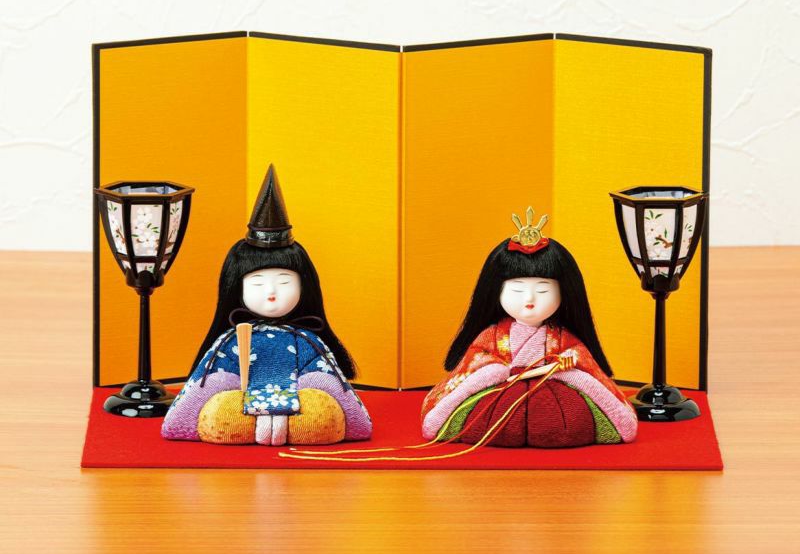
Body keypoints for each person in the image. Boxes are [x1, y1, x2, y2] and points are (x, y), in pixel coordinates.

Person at [162, 165, 372, 446]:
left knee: (320, 399)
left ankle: (281, 427)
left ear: (304, 287)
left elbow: (328, 385)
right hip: (240, 417)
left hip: (300, 417)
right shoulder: (232, 341)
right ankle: (262, 427)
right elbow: (207, 387)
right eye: (258, 284)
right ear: (236, 289)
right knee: (219, 390)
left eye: (284, 282)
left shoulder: (307, 341)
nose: (271, 292)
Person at [421, 207, 637, 448]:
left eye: (543, 289)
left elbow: (581, 361)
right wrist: (495, 371)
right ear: (496, 291)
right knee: (477, 401)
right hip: (500, 395)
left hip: (552, 398)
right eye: (517, 289)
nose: (530, 299)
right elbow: (475, 363)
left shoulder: (561, 338)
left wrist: (566, 364)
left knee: (571, 409)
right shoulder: (493, 337)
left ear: (565, 293)